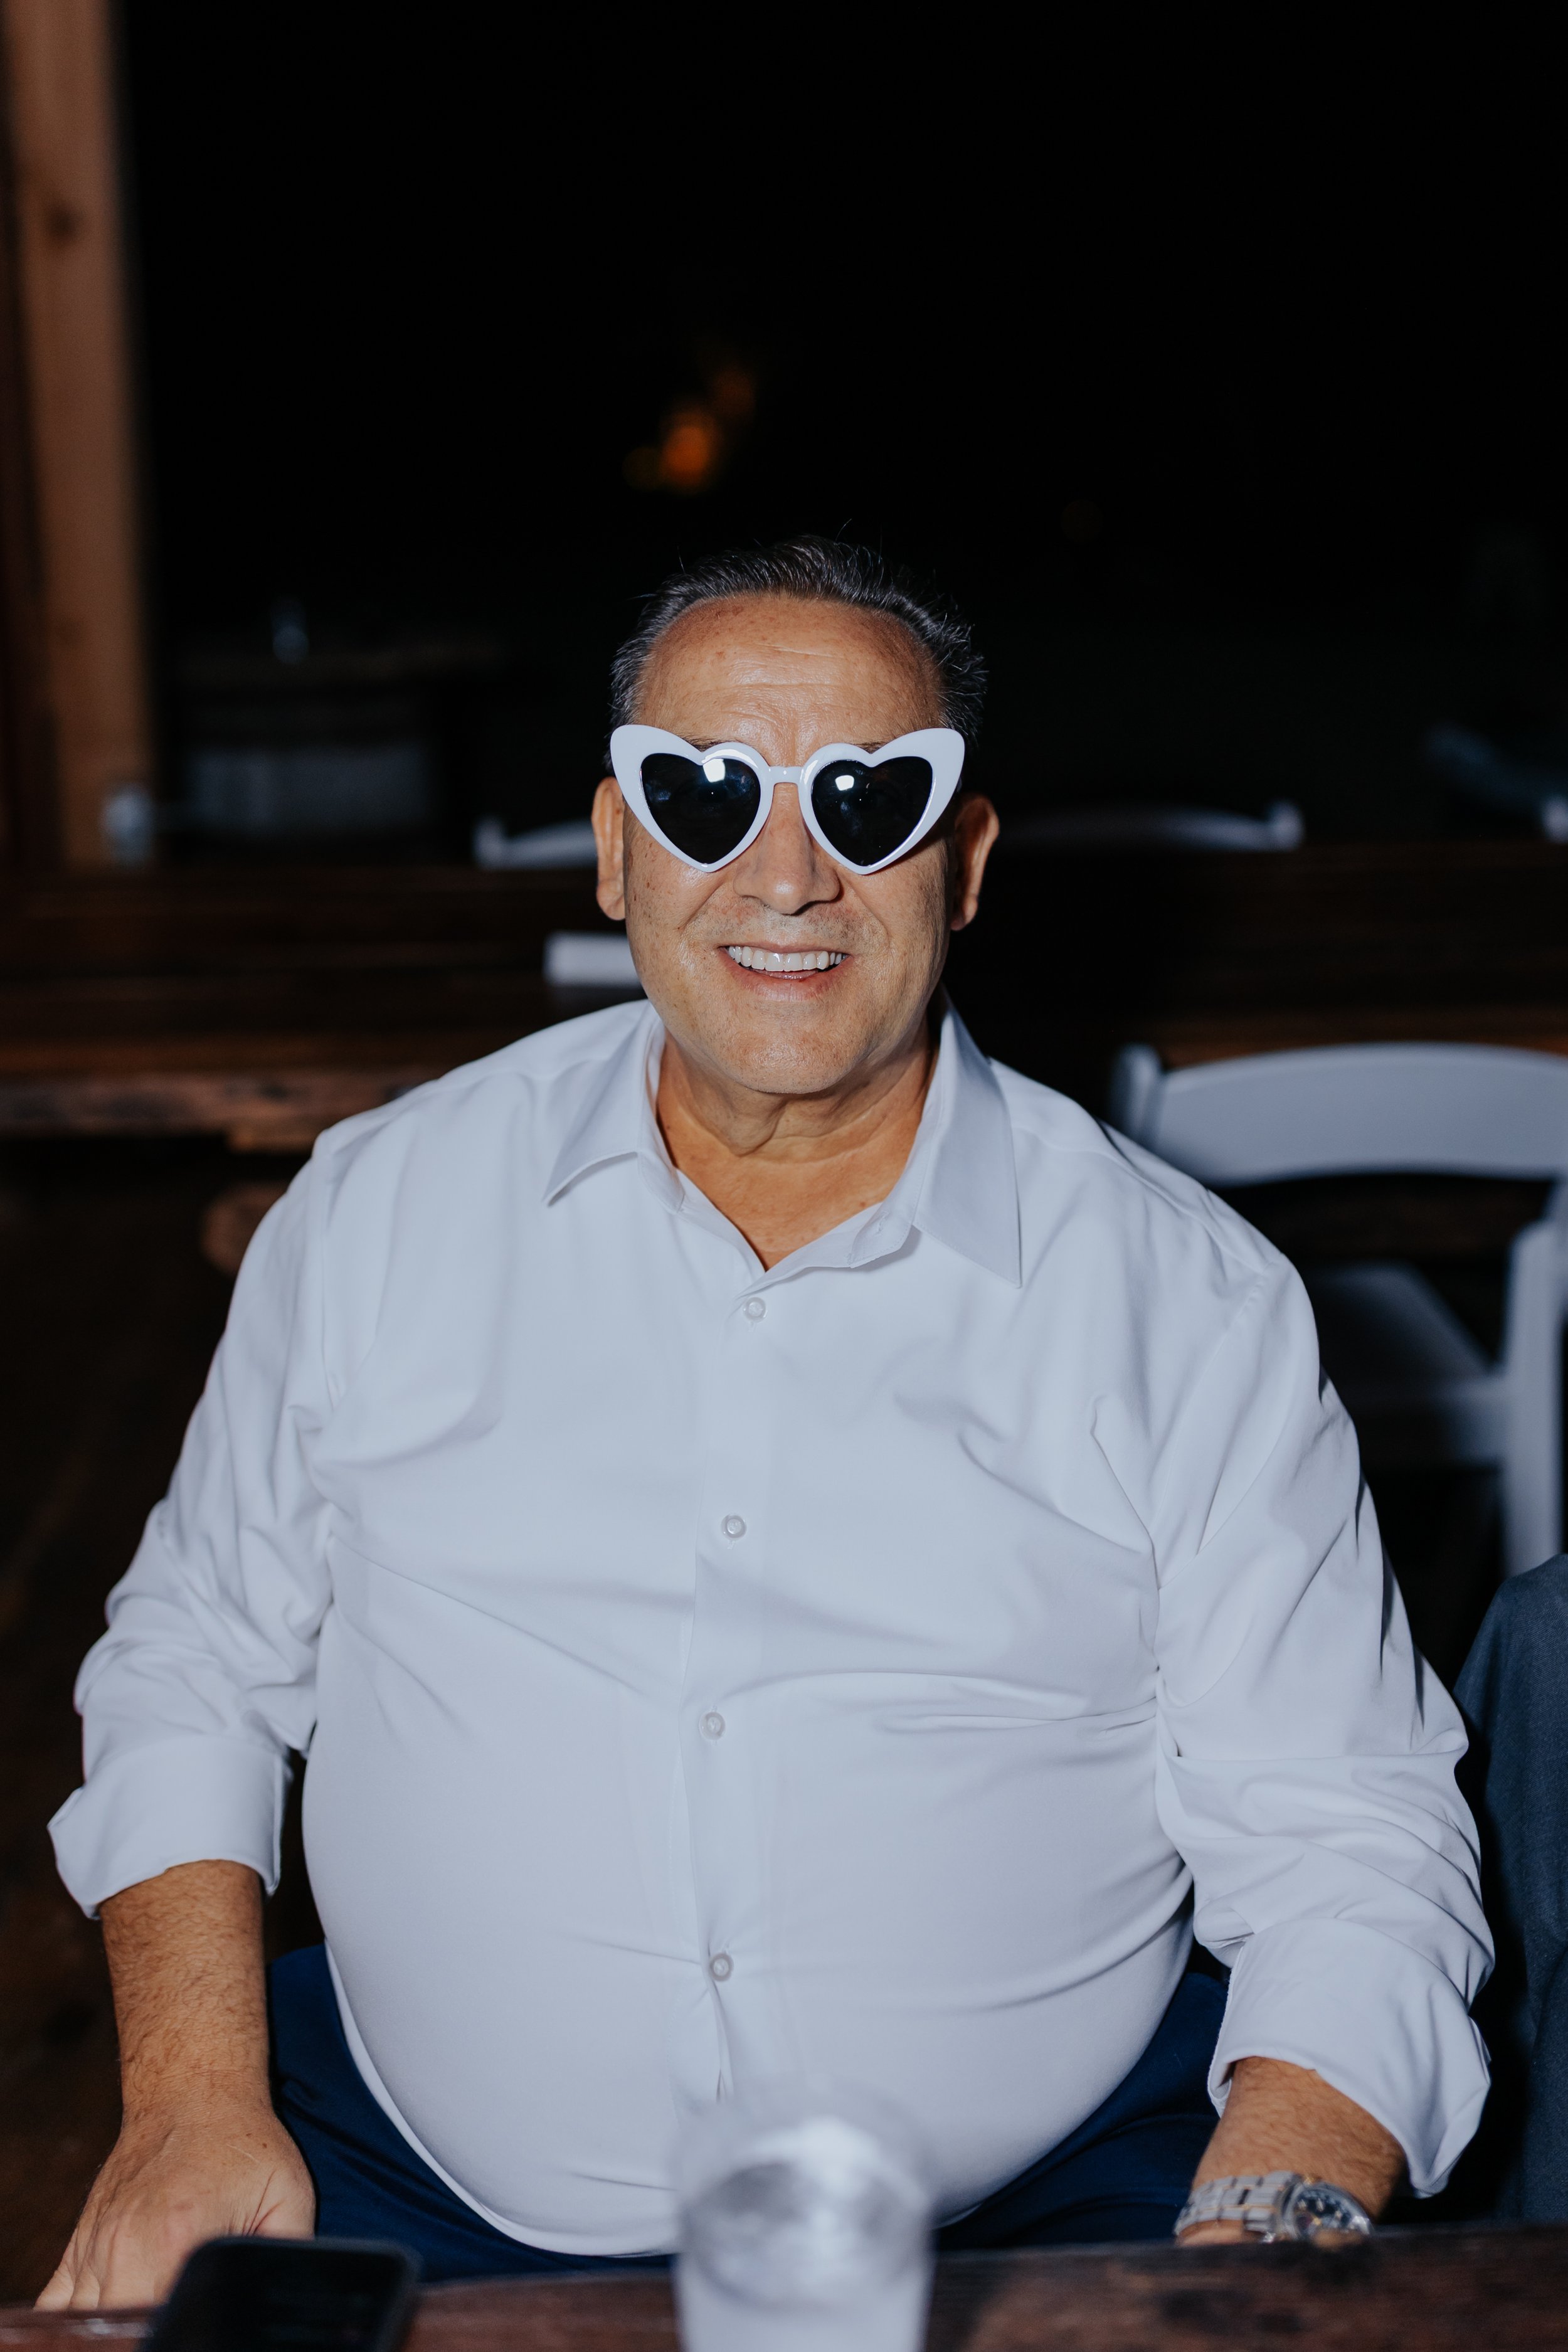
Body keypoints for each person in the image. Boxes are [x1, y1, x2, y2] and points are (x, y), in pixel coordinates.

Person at [44, 539, 1489, 2306]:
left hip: (1038, 2218)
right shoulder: (381, 1206)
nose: (786, 875)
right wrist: (185, 2103)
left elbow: (1348, 1832)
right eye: (704, 794)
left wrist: (1261, 2238)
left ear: (961, 868)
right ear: (614, 848)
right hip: (400, 2178)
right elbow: (196, 1653)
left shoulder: (1185, 1304)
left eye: (870, 801)